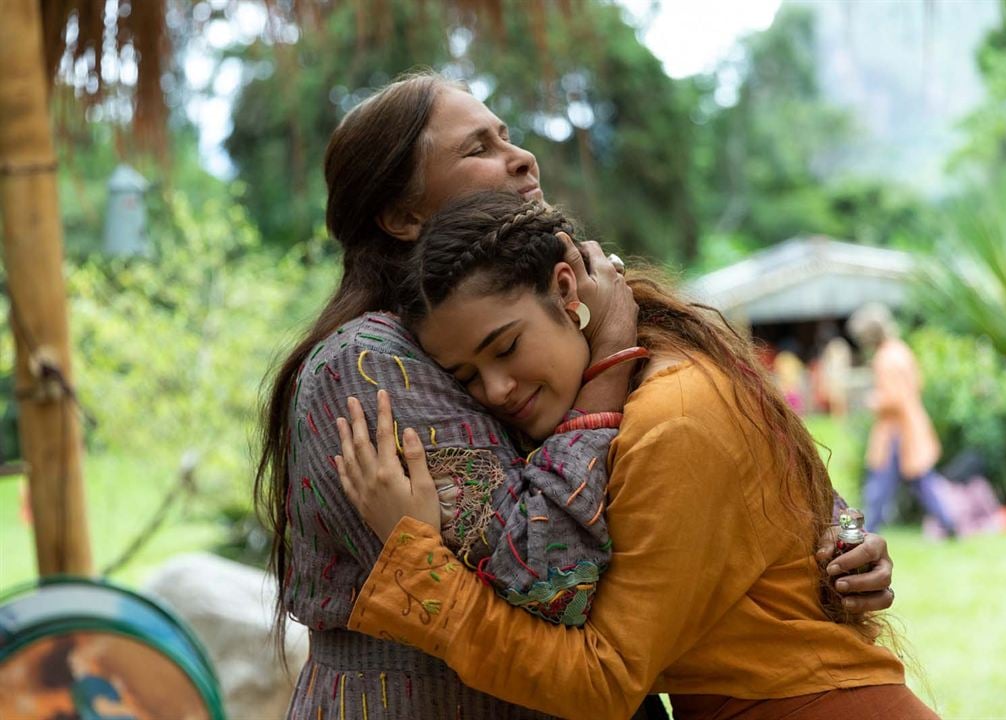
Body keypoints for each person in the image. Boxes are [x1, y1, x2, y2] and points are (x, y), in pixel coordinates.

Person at [255, 70, 897, 719]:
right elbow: (551, 584)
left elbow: (714, 441)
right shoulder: (369, 363)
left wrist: (836, 533)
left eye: (506, 134)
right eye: (477, 148)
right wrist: (607, 370)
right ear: (400, 215)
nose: (522, 157)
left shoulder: (557, 318)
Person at [333, 192, 936, 719]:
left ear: (567, 291)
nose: (496, 389)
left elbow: (603, 679)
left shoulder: (671, 413)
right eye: (465, 376)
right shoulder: (649, 381)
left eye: (507, 347)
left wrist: (416, 559)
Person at [846, 303, 955, 534]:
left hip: (896, 432)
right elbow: (917, 384)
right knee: (921, 481)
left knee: (879, 488)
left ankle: (866, 533)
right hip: (910, 425)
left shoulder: (885, 359)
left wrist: (873, 401)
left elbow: (894, 399)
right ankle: (949, 523)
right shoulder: (901, 350)